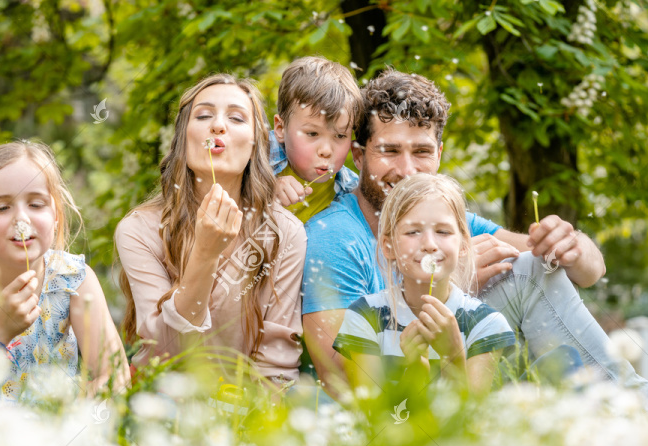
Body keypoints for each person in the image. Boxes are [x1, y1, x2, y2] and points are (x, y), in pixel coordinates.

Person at [303, 70, 648, 407]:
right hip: (396, 395)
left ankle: (628, 409)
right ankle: (632, 409)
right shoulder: (335, 236)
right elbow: (338, 378)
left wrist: (572, 247)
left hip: (457, 370)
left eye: (422, 152)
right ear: (361, 155)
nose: (408, 170)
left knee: (533, 268)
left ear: (439, 155)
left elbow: (587, 273)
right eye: (390, 151)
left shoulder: (443, 221)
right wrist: (454, 285)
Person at [115, 74, 307, 388]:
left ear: (255, 143)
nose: (218, 126)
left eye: (236, 118)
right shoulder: (139, 230)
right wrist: (204, 254)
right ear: (182, 139)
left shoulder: (284, 233)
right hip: (161, 404)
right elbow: (165, 353)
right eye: (204, 116)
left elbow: (277, 367)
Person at [0, 141, 129, 402]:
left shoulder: (71, 279)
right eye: (2, 208)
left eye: (36, 204)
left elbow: (115, 378)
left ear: (56, 215)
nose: (21, 219)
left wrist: (64, 416)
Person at [334, 173, 516, 395]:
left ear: (463, 245)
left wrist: (453, 356)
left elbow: (469, 420)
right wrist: (414, 376)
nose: (430, 244)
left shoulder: (486, 325)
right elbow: (372, 414)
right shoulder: (365, 317)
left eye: (443, 231)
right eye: (413, 232)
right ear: (388, 246)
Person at [270, 56, 363, 223]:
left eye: (340, 136)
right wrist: (264, 190)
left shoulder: (351, 192)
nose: (326, 151)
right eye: (312, 134)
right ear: (280, 129)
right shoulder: (255, 160)